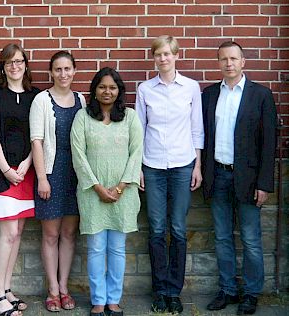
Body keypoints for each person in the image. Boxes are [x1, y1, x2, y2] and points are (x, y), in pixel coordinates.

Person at [202, 41, 277, 315]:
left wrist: (264, 183)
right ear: (219, 63)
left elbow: (269, 143)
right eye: (223, 59)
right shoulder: (209, 95)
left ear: (243, 61)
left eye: (233, 58)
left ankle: (252, 292)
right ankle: (228, 290)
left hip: (248, 179)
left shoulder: (260, 95)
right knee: (222, 237)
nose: (229, 63)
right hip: (218, 174)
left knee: (250, 239)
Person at [135, 35, 204, 314]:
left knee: (177, 228)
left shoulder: (190, 87)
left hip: (182, 164)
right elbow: (138, 130)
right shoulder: (145, 89)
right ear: (154, 58)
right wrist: (137, 167)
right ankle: (160, 290)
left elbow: (196, 128)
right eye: (158, 55)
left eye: (167, 54)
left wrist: (198, 165)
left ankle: (174, 291)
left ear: (176, 55)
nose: (163, 59)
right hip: (152, 166)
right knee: (156, 229)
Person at [71, 67, 143, 316]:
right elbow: (78, 156)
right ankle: (98, 301)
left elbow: (137, 153)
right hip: (92, 193)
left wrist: (121, 186)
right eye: (102, 87)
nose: (107, 91)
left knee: (117, 249)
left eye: (112, 87)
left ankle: (114, 300)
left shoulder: (131, 117)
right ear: (94, 90)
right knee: (96, 249)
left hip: (124, 194)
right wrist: (99, 188)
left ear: (119, 91)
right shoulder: (82, 118)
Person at [0, 43, 40, 316]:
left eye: (19, 61)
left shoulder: (35, 96)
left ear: (25, 64)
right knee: (8, 234)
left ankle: (6, 289)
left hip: (25, 172)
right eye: (9, 62)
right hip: (1, 173)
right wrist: (6, 168)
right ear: (2, 67)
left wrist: (27, 165)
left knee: (17, 235)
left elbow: (37, 136)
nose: (15, 66)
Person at [30, 51, 86, 312]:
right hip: (51, 173)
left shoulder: (81, 100)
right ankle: (52, 289)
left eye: (68, 69)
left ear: (74, 71)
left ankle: (64, 287)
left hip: (76, 175)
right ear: (51, 73)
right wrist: (42, 178)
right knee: (51, 234)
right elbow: (37, 141)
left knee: (69, 233)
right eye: (58, 69)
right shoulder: (42, 100)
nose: (63, 74)